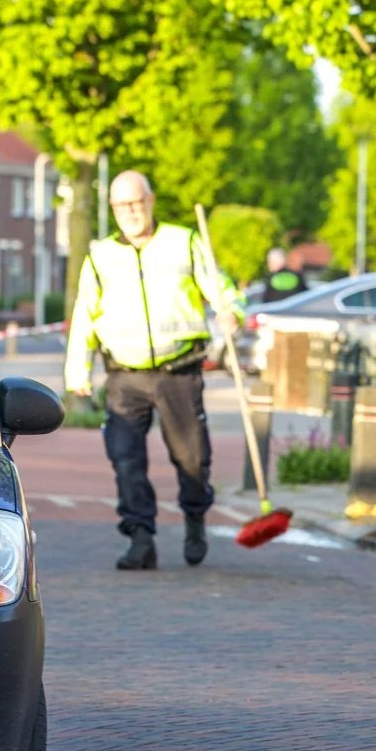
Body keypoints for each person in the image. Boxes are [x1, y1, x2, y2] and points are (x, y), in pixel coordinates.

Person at [65, 170, 243, 571]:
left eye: (136, 202)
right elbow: (84, 316)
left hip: (178, 370)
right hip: (125, 375)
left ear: (151, 201)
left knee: (192, 457)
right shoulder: (99, 256)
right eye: (121, 205)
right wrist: (77, 373)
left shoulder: (184, 242)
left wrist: (232, 312)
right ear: (112, 208)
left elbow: (222, 288)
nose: (130, 212)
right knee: (125, 459)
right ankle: (140, 537)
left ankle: (194, 518)